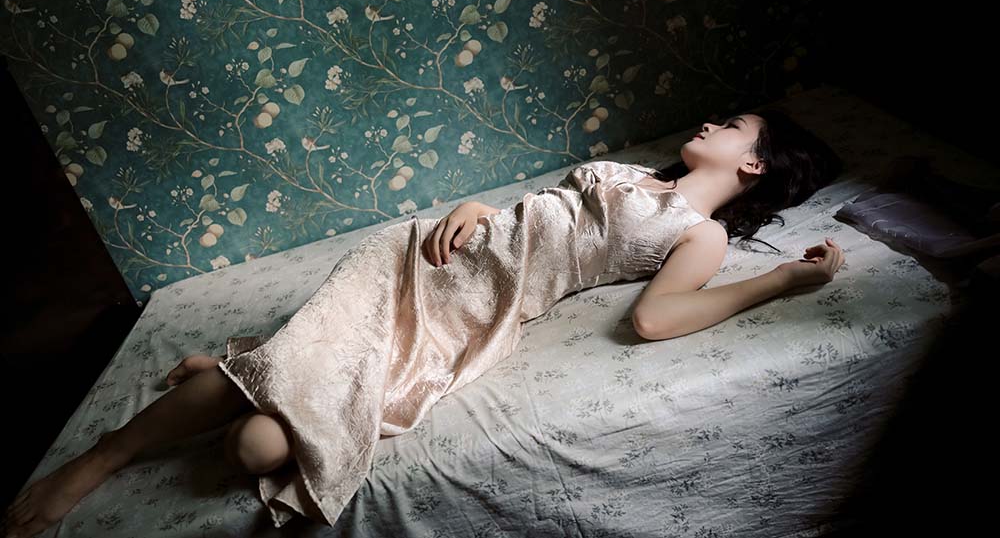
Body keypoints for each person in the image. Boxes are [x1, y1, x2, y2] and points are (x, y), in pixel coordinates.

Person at [2, 107, 846, 537]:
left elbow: (657, 319)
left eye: (731, 125)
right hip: (426, 260)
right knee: (266, 408)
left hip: (466, 314)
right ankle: (101, 456)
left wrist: (776, 280)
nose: (711, 123)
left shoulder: (699, 232)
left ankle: (253, 365)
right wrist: (480, 206)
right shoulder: (633, 173)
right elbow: (540, 213)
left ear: (753, 160)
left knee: (255, 449)